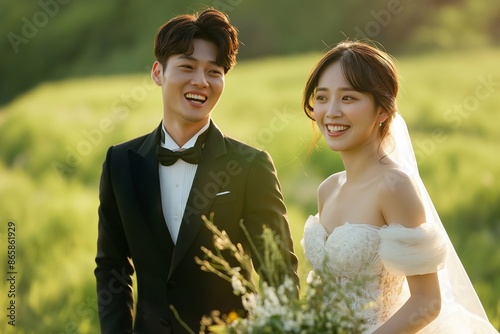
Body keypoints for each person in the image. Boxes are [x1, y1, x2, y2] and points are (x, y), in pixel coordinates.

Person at [94, 8, 299, 334]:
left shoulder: (251, 165)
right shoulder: (120, 162)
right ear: (158, 72)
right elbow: (111, 267)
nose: (201, 82)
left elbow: (278, 272)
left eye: (213, 72)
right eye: (187, 67)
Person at [301, 41, 498, 333]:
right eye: (322, 97)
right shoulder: (327, 189)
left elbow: (427, 303)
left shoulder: (394, 187)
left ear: (382, 111)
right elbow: (324, 285)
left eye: (348, 98)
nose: (331, 112)